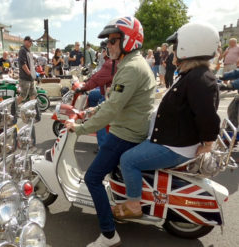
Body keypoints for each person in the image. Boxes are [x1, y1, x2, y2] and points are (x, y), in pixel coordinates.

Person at [114, 22, 220, 223]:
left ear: (190, 46)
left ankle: (133, 204)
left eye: (176, 45)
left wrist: (208, 144)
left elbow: (207, 116)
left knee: (128, 160)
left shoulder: (200, 78)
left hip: (175, 146)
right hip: (171, 139)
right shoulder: (192, 74)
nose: (172, 50)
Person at [65, 16, 155, 247]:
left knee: (92, 178)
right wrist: (91, 110)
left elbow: (113, 109)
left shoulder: (130, 68)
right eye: (108, 42)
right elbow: (115, 100)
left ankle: (108, 234)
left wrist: (80, 128)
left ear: (129, 41)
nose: (108, 46)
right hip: (130, 127)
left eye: (114, 40)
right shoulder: (131, 64)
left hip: (125, 133)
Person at [77, 47, 118, 150]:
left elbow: (97, 79)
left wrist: (84, 87)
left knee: (100, 120)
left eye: (104, 50)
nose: (102, 52)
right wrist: (89, 79)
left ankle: (102, 146)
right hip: (110, 91)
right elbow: (98, 75)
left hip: (111, 94)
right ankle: (91, 116)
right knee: (92, 95)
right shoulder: (110, 62)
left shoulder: (110, 64)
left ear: (108, 52)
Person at [17, 36, 37, 105]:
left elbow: (31, 64)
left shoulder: (28, 51)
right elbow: (23, 64)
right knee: (23, 95)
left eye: (31, 41)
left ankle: (31, 108)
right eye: (29, 41)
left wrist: (33, 74)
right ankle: (13, 109)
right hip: (25, 78)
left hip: (30, 78)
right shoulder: (22, 50)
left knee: (33, 94)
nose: (31, 43)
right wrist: (29, 73)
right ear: (25, 41)